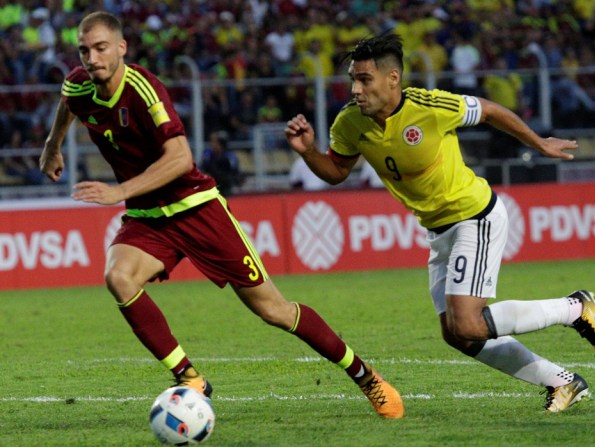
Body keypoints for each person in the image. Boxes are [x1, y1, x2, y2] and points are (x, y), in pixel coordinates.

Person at [39, 12, 403, 420]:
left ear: (121, 47)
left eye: (101, 47)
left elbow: (180, 157)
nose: (92, 57)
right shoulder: (77, 83)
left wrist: (119, 191)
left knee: (274, 311)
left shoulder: (143, 90)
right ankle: (190, 378)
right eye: (84, 50)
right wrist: (53, 145)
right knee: (118, 277)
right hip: (148, 215)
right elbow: (68, 101)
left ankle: (364, 375)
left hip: (196, 208)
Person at [285, 33, 595, 413]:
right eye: (353, 81)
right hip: (438, 231)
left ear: (393, 79)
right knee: (459, 336)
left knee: (469, 323)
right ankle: (562, 381)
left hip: (474, 215)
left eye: (365, 79)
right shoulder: (349, 123)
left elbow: (489, 110)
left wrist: (538, 143)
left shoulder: (429, 105)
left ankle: (574, 308)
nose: (356, 89)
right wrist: (309, 151)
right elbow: (337, 170)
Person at [200, 130, 243, 196]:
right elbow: (202, 169)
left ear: (221, 144)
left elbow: (235, 172)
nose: (212, 144)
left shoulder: (230, 156)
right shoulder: (208, 154)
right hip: (211, 187)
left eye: (215, 142)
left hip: (226, 188)